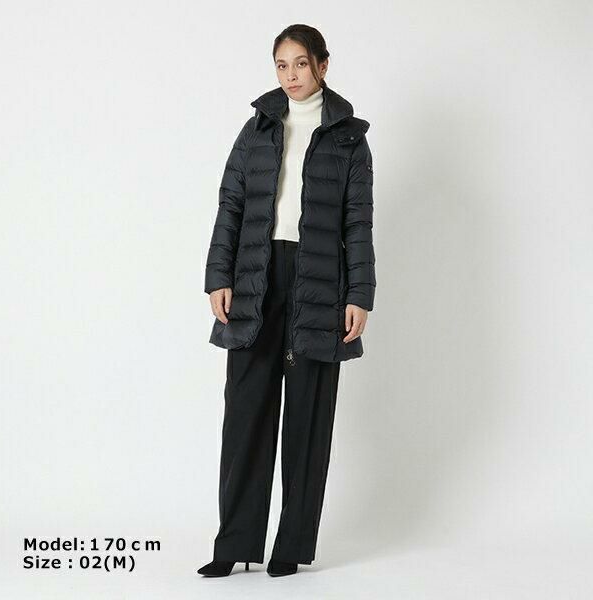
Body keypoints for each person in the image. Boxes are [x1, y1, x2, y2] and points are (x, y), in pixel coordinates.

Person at [198, 23, 376, 578]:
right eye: (282, 65)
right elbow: (230, 205)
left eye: (300, 63)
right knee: (245, 413)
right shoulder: (256, 128)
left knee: (307, 419)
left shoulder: (349, 139)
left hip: (319, 283)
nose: (291, 75)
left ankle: (289, 547)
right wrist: (218, 277)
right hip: (257, 276)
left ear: (322, 64)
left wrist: (359, 294)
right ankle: (233, 544)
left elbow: (358, 222)